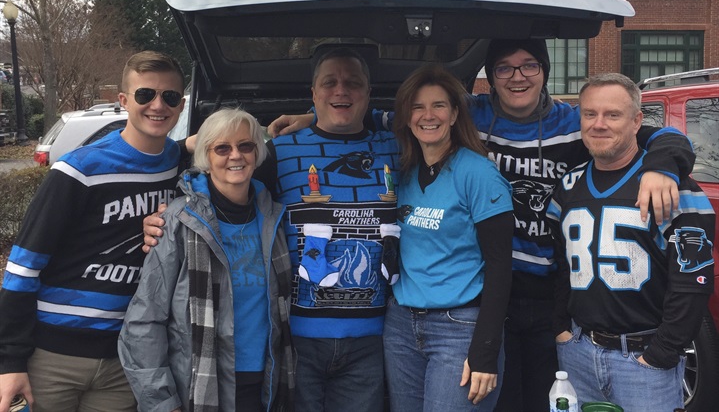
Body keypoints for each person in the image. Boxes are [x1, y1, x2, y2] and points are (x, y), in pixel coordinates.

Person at [269, 39, 695, 411]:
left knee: (546, 399)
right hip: (480, 302)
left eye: (529, 65)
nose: (517, 76)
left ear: (544, 72)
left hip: (543, 291)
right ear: (490, 77)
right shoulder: (468, 115)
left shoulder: (575, 122)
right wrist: (310, 118)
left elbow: (644, 131)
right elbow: (381, 116)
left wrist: (662, 164)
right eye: (504, 68)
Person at [144, 47, 400, 412]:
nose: (341, 91)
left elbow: (440, 116)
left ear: (368, 93)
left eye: (353, 83)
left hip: (372, 341)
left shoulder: (397, 148)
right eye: (330, 83)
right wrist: (171, 215)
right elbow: (223, 182)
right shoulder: (278, 151)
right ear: (314, 93)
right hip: (295, 342)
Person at [0, 51, 186, 412]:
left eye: (170, 97)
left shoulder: (177, 163)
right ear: (123, 101)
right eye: (145, 95)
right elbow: (22, 268)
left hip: (125, 357)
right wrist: (10, 362)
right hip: (52, 356)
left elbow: (224, 148)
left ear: (180, 106)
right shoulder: (78, 170)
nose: (158, 105)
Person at [547, 73, 715, 411]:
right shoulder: (567, 186)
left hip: (643, 358)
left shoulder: (671, 186)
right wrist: (560, 328)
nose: (599, 124)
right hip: (578, 351)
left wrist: (662, 353)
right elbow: (558, 263)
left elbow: (692, 281)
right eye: (590, 114)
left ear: (637, 120)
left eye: (613, 115)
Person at [119, 108, 294, 412]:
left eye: (246, 145)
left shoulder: (274, 217)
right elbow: (144, 319)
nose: (236, 155)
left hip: (265, 383)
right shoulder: (178, 220)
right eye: (222, 148)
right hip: (199, 386)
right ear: (206, 157)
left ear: (258, 152)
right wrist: (161, 402)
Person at [383, 65, 514, 411]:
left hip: (459, 328)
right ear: (406, 117)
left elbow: (501, 266)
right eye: (417, 107)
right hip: (400, 326)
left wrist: (486, 349)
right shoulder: (406, 171)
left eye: (438, 106)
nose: (428, 116)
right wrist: (306, 117)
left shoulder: (479, 173)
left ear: (455, 113)